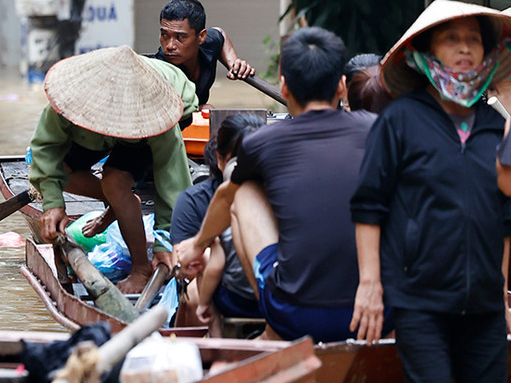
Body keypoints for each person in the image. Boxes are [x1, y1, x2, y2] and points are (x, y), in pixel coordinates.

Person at [350, 0, 511, 383]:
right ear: (427, 53)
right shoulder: (400, 122)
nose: (464, 48)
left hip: (482, 303)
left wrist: (499, 293)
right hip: (420, 297)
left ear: (486, 54)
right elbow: (368, 205)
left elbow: (505, 218)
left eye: (474, 40)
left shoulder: (493, 126)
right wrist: (370, 285)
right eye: (451, 39)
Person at [176, 27, 374, 343]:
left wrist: (198, 244)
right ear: (341, 86)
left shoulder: (263, 143)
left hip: (294, 314)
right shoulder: (378, 131)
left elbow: (226, 198)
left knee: (242, 193)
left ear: (284, 86)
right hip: (378, 309)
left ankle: (274, 328)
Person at [29, 45, 198, 294]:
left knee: (115, 180)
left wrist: (165, 243)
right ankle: (122, 204)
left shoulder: (158, 114)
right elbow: (46, 151)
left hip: (165, 109)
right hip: (93, 128)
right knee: (63, 171)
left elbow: (172, 180)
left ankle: (141, 269)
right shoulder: (70, 101)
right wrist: (53, 204)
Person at [174, 113, 267, 330]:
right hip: (264, 291)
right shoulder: (195, 200)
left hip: (245, 294)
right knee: (196, 293)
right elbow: (185, 265)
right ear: (219, 159)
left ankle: (217, 345)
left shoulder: (278, 192)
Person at [154, 0, 254, 107]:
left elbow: (220, 33)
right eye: (164, 35)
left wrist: (234, 63)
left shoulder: (209, 44)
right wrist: (200, 110)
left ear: (201, 37)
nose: (170, 46)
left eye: (180, 37)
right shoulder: (159, 72)